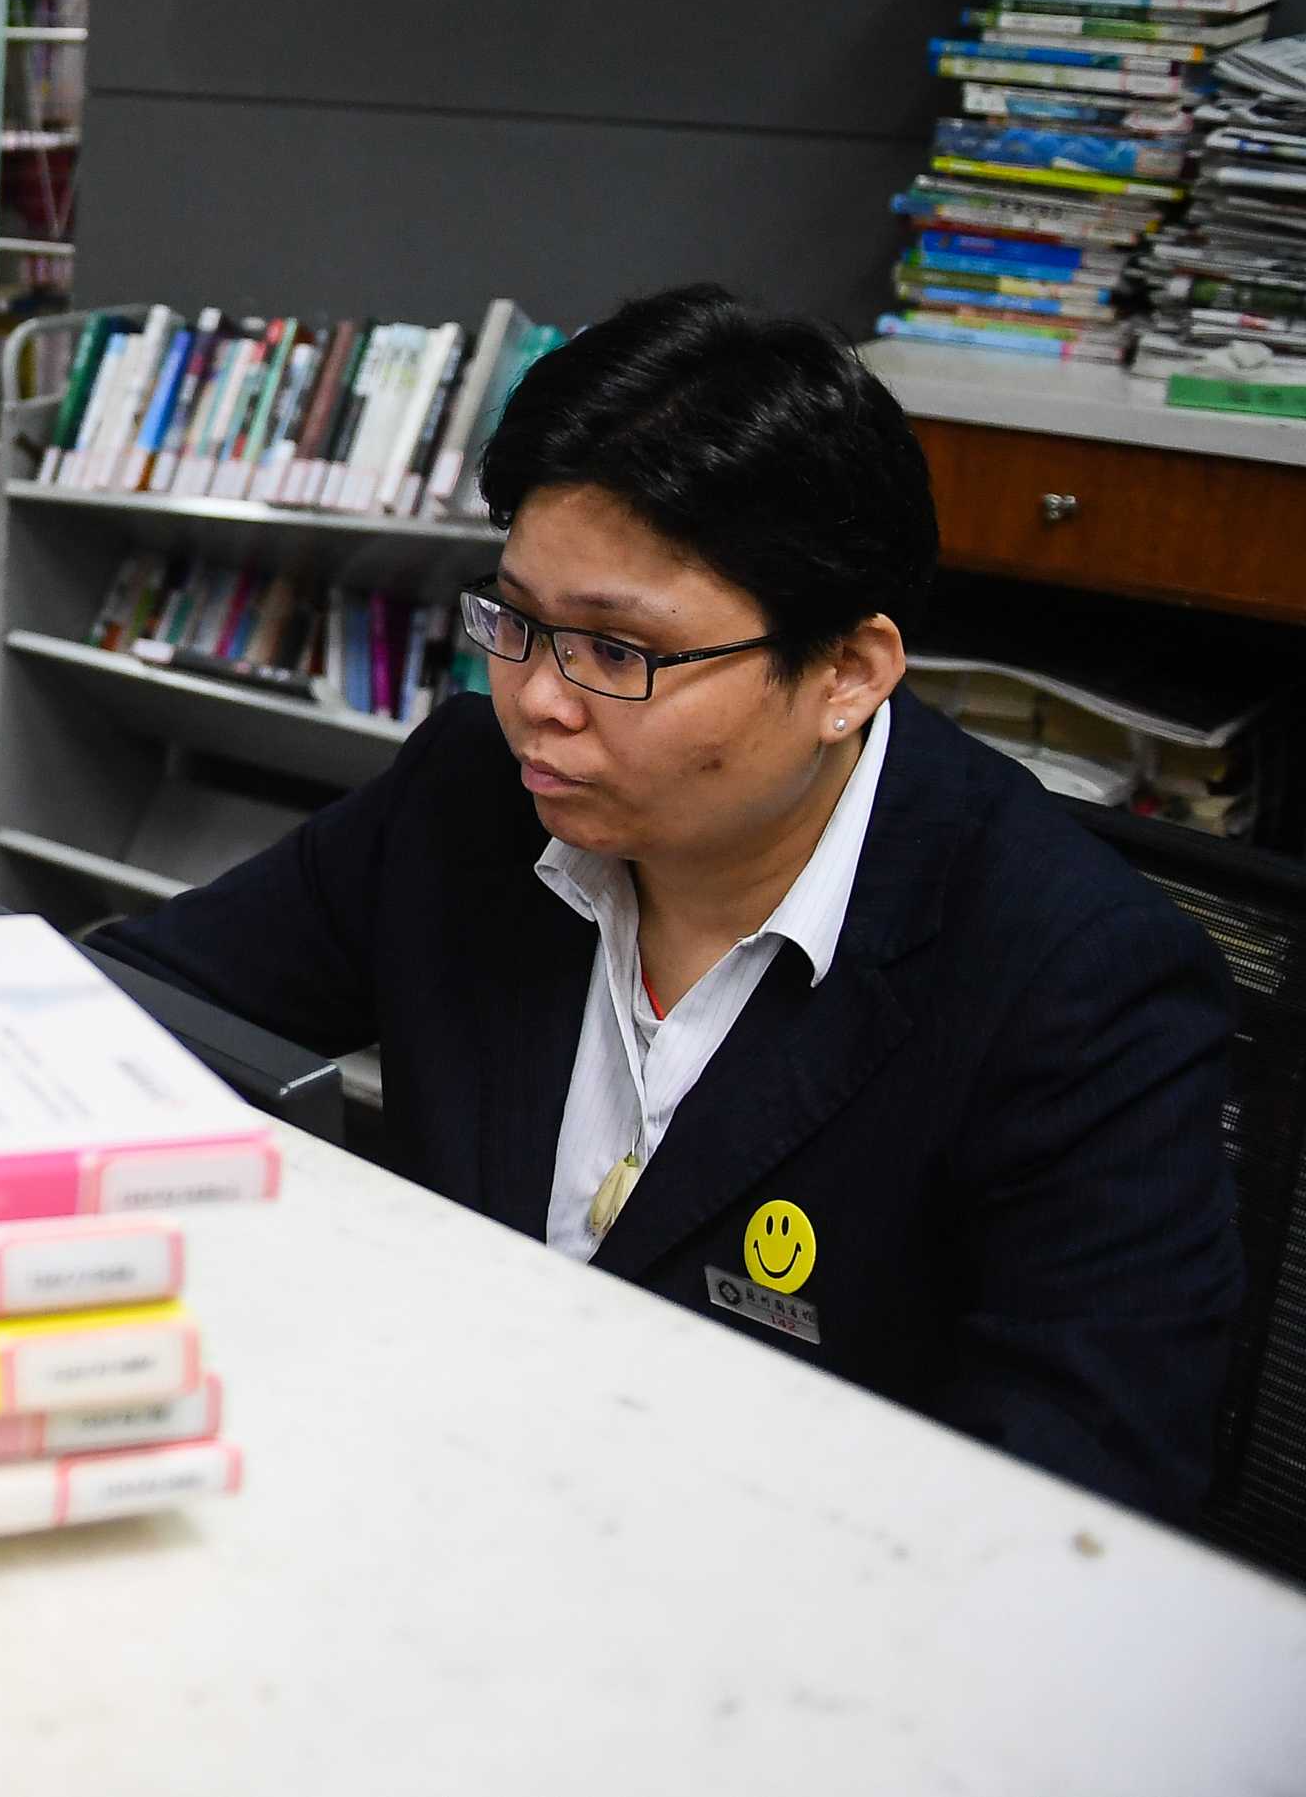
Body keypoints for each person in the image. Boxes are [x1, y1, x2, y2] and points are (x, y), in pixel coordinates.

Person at [103, 287, 1238, 1520]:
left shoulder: (1074, 983)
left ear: (844, 674)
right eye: (516, 620)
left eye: (616, 651)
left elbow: (1084, 1504)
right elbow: (120, 1019)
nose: (538, 699)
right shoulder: (466, 799)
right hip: (429, 1489)